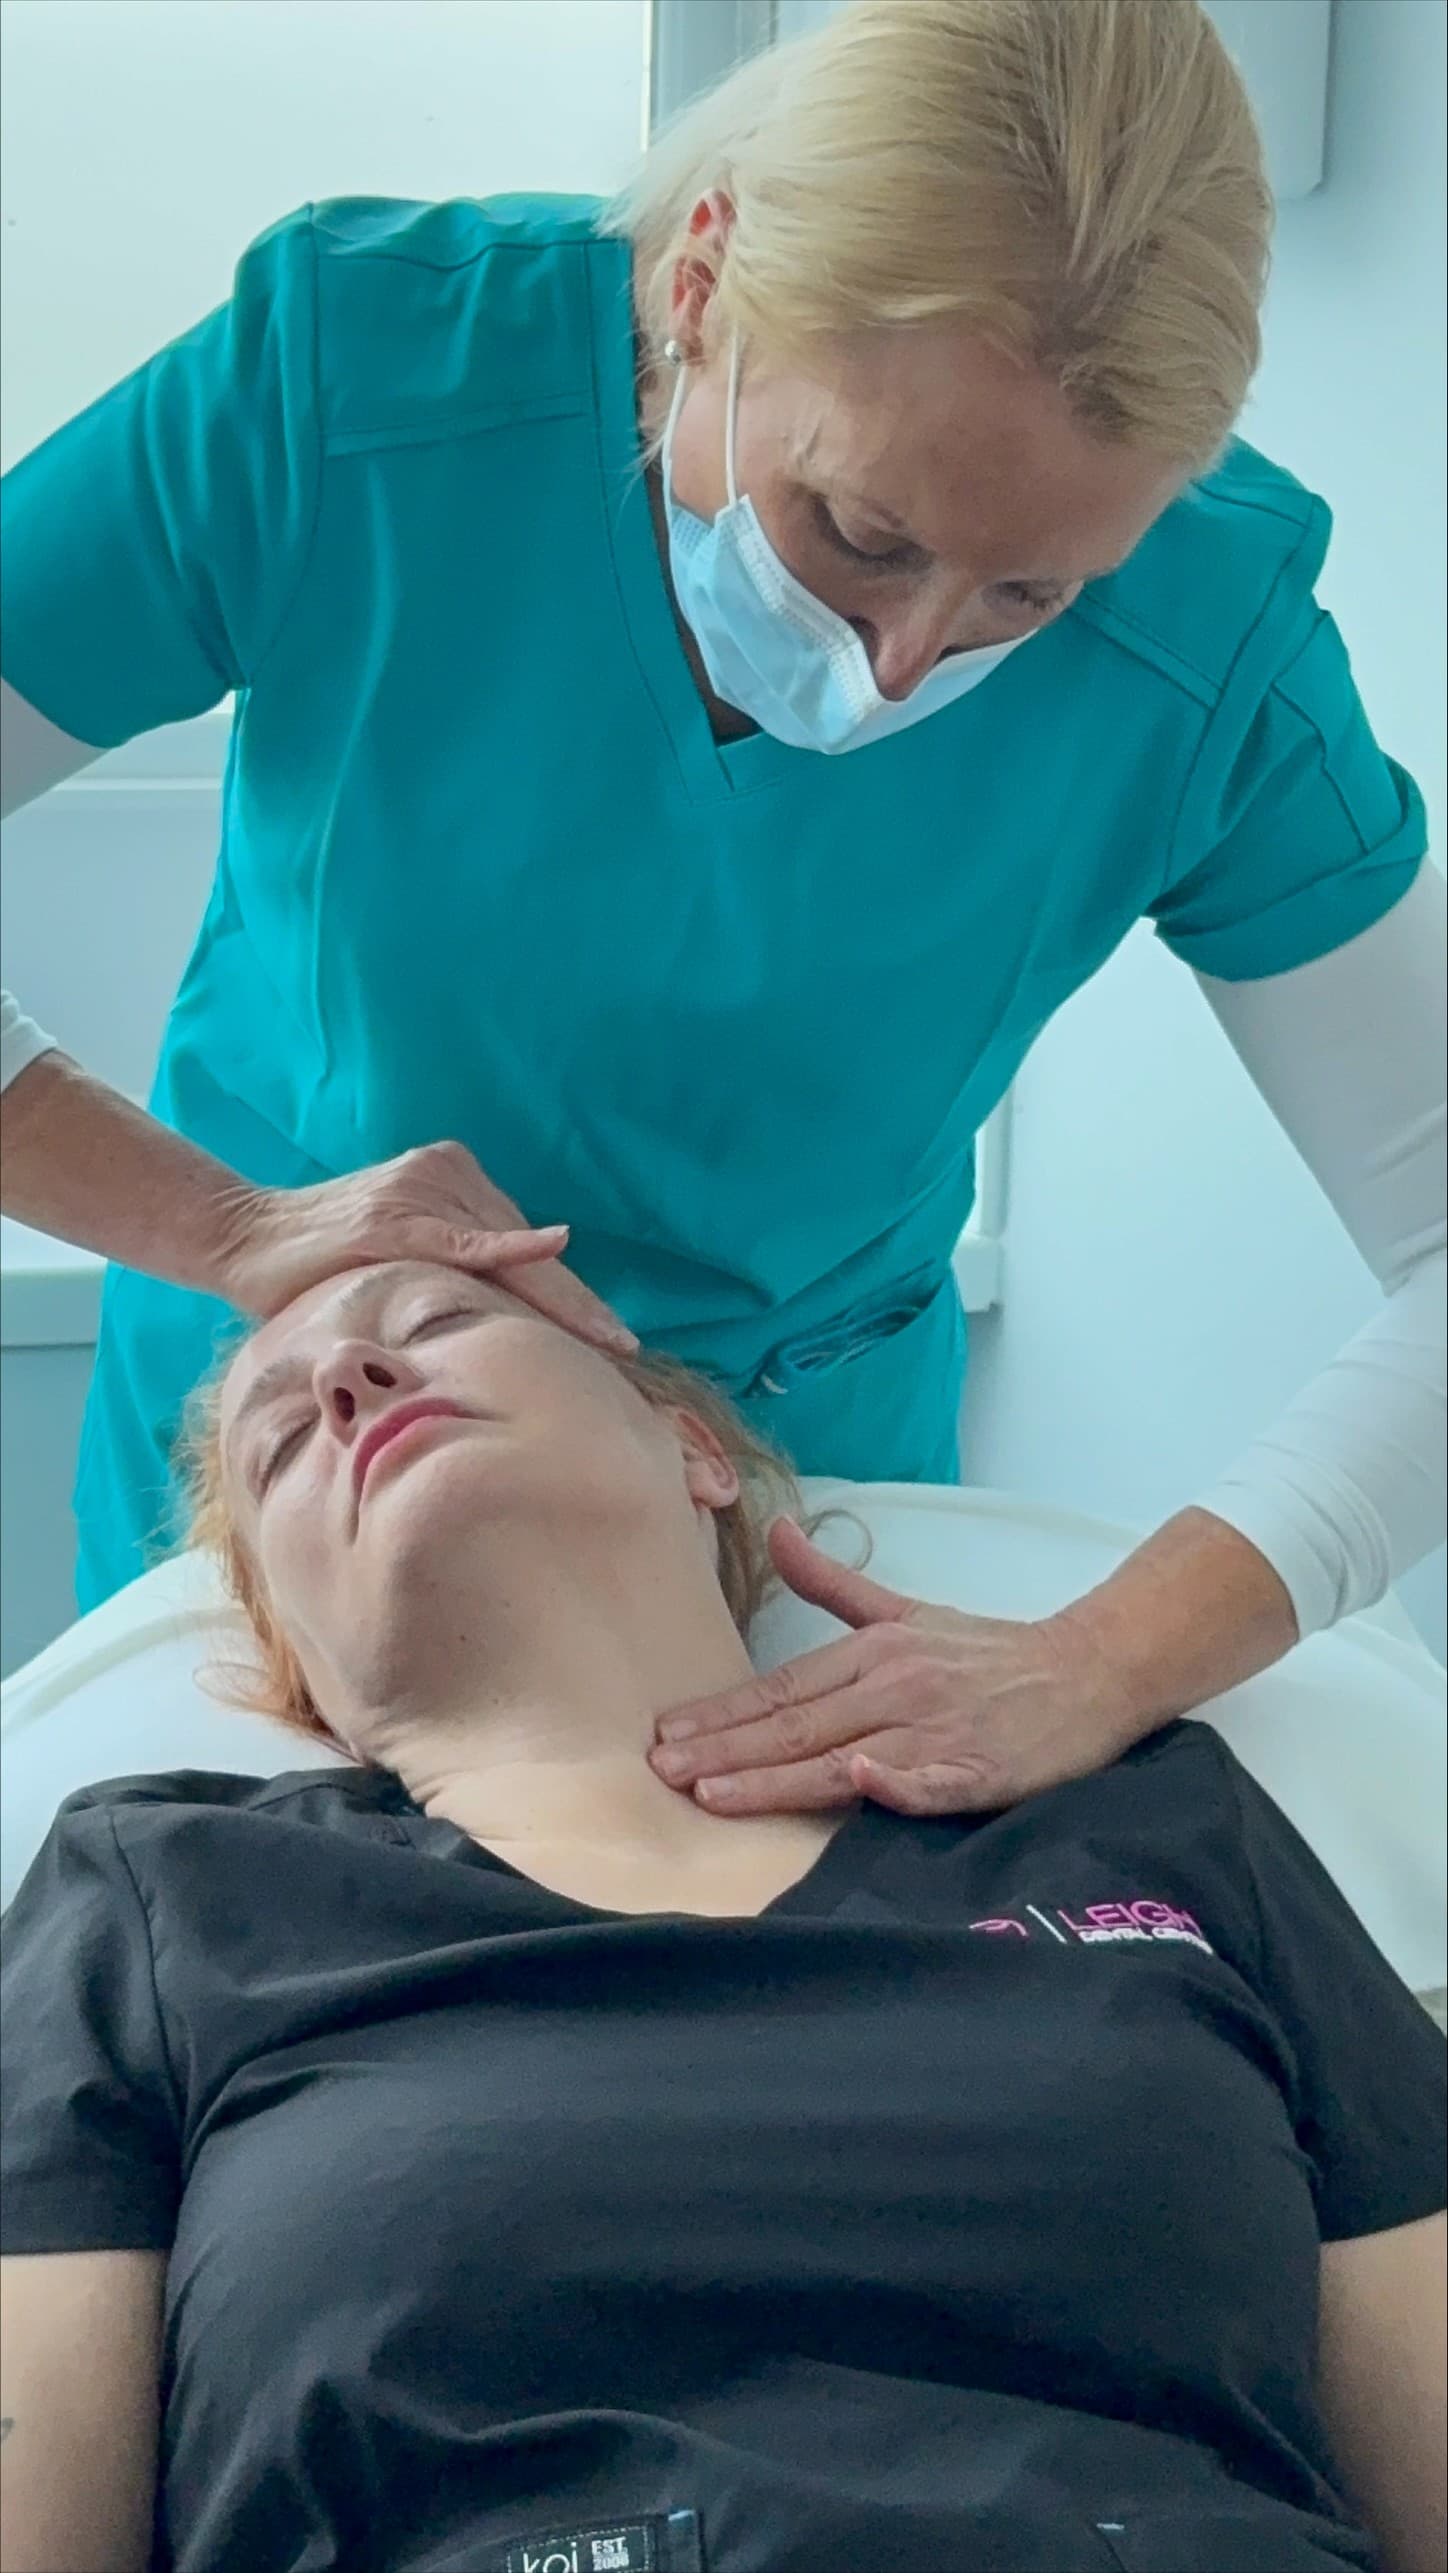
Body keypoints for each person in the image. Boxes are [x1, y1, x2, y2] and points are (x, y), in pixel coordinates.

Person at [1, 0, 1443, 1815]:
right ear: (703, 280)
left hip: (794, 1543)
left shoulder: (1209, 644)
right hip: (312, 1490)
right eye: (861, 531)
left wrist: (1109, 1657)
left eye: (1027, 601)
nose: (905, 664)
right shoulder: (356, 391)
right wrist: (217, 1224)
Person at [1, 1258, 1443, 2573]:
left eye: (438, 1323)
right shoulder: (160, 1896)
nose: (347, 1381)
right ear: (287, 1662)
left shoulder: (1152, 1819)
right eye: (282, 1439)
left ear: (695, 1453)